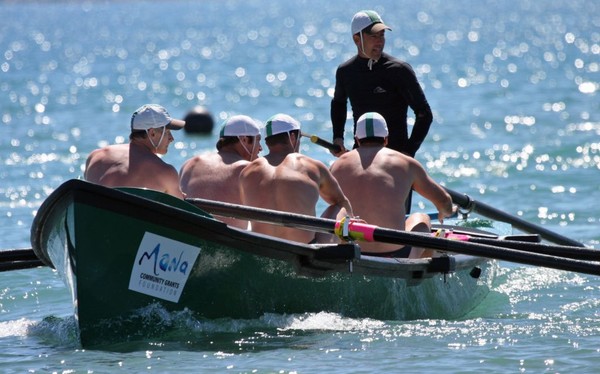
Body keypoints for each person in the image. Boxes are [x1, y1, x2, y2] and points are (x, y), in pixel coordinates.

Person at [330, 112, 454, 258]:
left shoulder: (337, 166)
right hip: (396, 254)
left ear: (357, 139)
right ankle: (417, 276)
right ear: (386, 139)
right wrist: (445, 211)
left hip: (353, 252)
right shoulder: (406, 163)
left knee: (337, 212)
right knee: (421, 217)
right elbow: (445, 201)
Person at [330, 10, 433, 158]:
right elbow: (339, 103)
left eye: (382, 35)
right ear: (356, 39)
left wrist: (408, 153)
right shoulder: (345, 71)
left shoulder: (399, 70)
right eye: (373, 36)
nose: (379, 41)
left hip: (395, 159)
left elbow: (424, 114)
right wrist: (338, 137)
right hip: (360, 159)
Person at [239, 113, 353, 243]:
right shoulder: (312, 166)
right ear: (292, 137)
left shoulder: (247, 172)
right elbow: (342, 202)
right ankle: (348, 254)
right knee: (340, 206)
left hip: (264, 248)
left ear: (267, 142)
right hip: (304, 250)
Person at [84, 104, 185, 199]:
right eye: (167, 132)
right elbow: (182, 211)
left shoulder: (95, 156)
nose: (172, 138)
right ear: (152, 133)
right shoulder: (166, 172)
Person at [179, 115, 262, 229]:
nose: (260, 148)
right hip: (224, 242)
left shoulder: (189, 164)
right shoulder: (247, 169)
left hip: (187, 235)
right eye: (258, 140)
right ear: (244, 140)